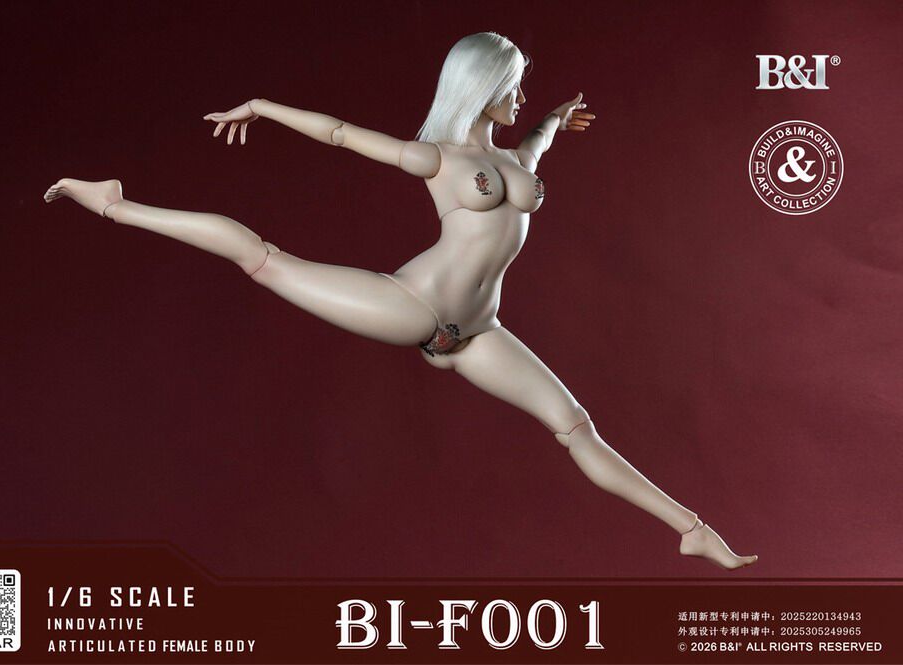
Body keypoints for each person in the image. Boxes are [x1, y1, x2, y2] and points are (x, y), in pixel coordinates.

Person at [44, 32, 757, 569]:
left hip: (480, 333)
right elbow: (341, 134)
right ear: (483, 87)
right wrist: (261, 107)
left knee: (576, 426)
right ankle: (115, 204)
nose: (520, 98)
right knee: (264, 258)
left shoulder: (514, 160)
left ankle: (692, 530)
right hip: (414, 305)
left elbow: (536, 147)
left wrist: (552, 120)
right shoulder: (438, 158)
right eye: (513, 86)